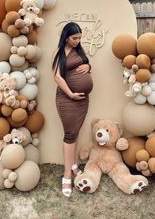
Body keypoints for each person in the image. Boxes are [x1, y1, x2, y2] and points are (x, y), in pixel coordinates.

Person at [52, 22, 93, 197]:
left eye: (79, 38)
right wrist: (70, 94)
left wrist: (88, 66)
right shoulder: (58, 53)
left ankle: (73, 164)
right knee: (69, 135)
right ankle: (67, 174)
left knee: (75, 132)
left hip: (82, 101)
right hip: (67, 99)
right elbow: (57, 77)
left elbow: (85, 66)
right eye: (74, 38)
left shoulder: (79, 51)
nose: (77, 41)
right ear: (66, 37)